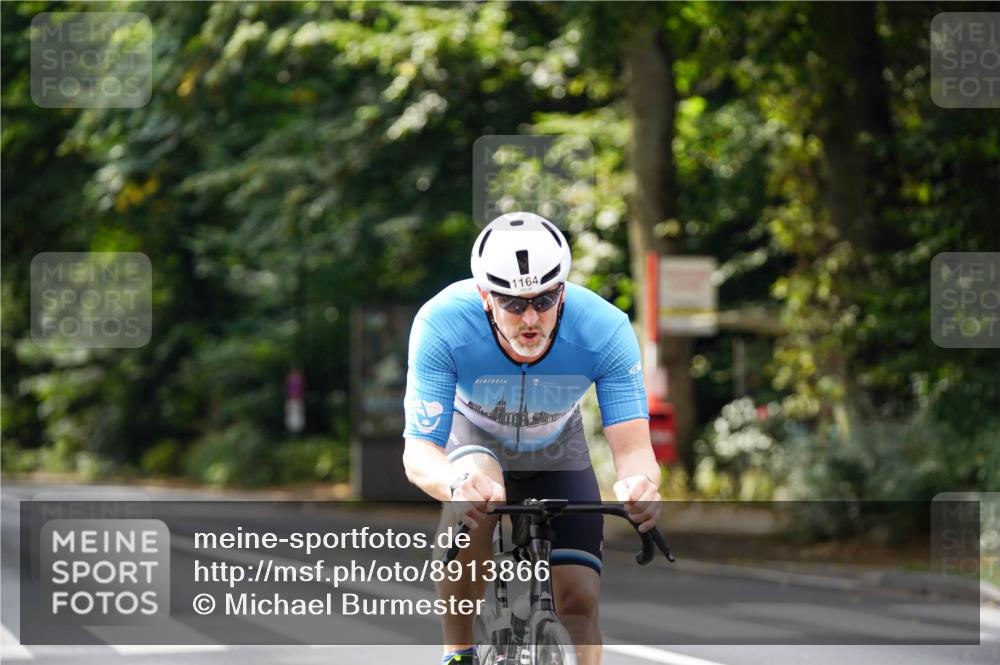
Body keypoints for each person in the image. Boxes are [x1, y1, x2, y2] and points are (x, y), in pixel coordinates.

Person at [402, 212, 662, 665]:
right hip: (475, 439)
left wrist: (642, 485)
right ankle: (457, 652)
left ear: (563, 290)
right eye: (512, 303)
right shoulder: (442, 324)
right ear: (485, 296)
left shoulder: (605, 329)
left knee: (580, 602)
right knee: (478, 492)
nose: (530, 318)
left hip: (557, 447)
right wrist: (453, 485)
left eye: (544, 300)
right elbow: (419, 452)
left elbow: (635, 448)